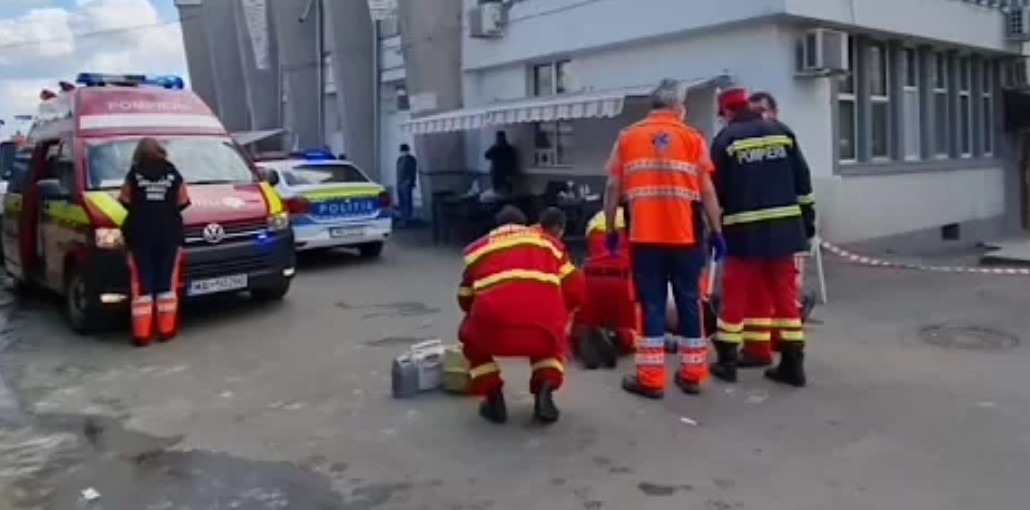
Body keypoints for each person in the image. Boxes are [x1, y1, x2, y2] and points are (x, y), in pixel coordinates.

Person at [603, 78, 724, 398]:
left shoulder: (627, 137)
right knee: (690, 302)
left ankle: (651, 379)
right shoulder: (693, 138)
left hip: (644, 238)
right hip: (686, 237)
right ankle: (692, 374)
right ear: (678, 107)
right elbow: (707, 190)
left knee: (651, 305)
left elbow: (613, 188)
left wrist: (611, 228)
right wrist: (717, 231)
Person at [709, 88, 815, 387]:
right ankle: (793, 363)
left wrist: (713, 231)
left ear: (728, 112)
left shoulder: (726, 140)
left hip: (743, 233)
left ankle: (727, 361)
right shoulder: (782, 132)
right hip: (785, 230)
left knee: (735, 295)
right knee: (785, 296)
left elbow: (715, 192)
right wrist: (807, 223)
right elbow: (803, 183)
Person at [457, 205, 585, 424]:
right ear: (524, 224)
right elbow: (576, 289)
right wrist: (564, 313)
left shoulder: (478, 251)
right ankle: (545, 388)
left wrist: (479, 314)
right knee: (552, 341)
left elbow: (464, 298)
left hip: (495, 331)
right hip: (542, 328)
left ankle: (493, 395)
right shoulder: (550, 245)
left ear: (497, 226)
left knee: (469, 336)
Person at [742, 91, 817, 366]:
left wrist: (807, 223)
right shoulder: (750, 140)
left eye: (762, 110)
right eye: (753, 111)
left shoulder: (783, 137)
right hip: (761, 233)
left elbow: (803, 184)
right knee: (758, 292)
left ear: (774, 112)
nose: (758, 117)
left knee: (784, 293)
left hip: (781, 232)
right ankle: (759, 349)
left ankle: (790, 354)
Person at [118, 138, 191, 346]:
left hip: (140, 234)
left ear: (138, 153)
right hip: (169, 234)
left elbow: (124, 200)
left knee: (142, 283)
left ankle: (141, 335)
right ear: (161, 151)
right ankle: (166, 331)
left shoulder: (134, 174)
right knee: (167, 283)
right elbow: (183, 201)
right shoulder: (173, 173)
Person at [485, 131, 517, 195]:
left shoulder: (508, 149)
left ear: (503, 138)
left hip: (505, 174)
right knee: (497, 193)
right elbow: (486, 156)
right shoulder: (495, 149)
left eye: (499, 138)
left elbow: (512, 162)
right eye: (497, 138)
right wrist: (494, 147)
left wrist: (509, 174)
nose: (498, 140)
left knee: (506, 193)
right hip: (496, 174)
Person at [395, 144, 418, 225]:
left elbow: (412, 171)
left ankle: (407, 218)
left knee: (407, 201)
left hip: (405, 183)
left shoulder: (410, 159)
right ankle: (404, 217)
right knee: (402, 201)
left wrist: (409, 181)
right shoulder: (400, 159)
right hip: (400, 182)